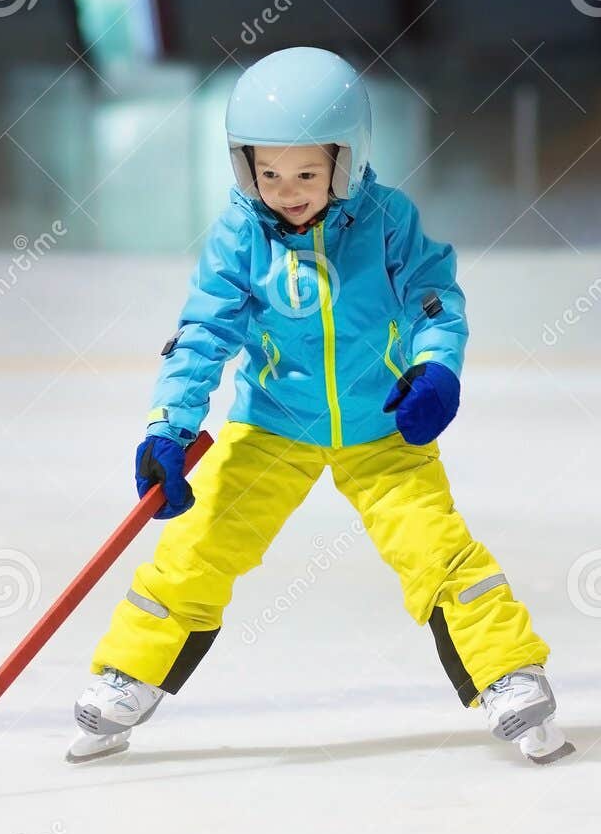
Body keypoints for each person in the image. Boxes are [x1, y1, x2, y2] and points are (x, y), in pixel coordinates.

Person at [67, 47, 571, 767]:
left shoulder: (389, 222)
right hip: (273, 425)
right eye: (267, 172)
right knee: (197, 547)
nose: (286, 189)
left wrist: (435, 373)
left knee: (437, 551)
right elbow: (204, 335)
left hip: (383, 425)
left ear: (348, 159)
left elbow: (436, 302)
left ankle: (508, 674)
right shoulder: (240, 236)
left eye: (306, 172)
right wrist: (169, 427)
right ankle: (129, 672)